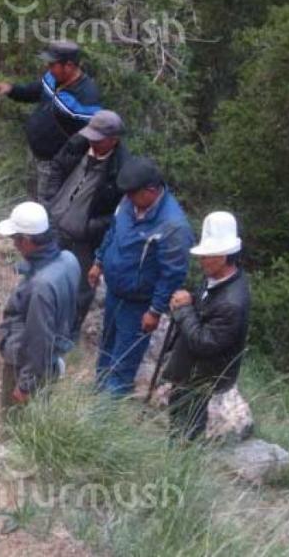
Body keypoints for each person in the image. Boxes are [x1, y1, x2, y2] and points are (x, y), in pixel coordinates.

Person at [88, 157, 194, 395]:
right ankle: (97, 391)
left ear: (151, 190)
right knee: (106, 347)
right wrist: (99, 261)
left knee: (124, 361)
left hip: (138, 304)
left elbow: (173, 274)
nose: (127, 197)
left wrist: (155, 311)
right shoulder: (127, 203)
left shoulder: (173, 226)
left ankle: (107, 409)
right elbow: (113, 232)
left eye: (132, 193)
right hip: (115, 292)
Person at [162, 212, 251, 440]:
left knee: (188, 430)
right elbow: (205, 309)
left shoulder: (232, 302)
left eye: (207, 255)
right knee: (178, 420)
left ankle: (182, 458)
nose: (201, 260)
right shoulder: (217, 280)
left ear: (223, 256)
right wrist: (189, 301)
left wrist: (184, 309)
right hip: (190, 371)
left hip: (202, 378)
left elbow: (205, 343)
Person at [43, 110, 131, 337]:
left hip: (86, 242)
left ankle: (66, 338)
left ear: (114, 140)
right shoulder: (77, 144)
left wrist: (90, 227)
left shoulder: (122, 169)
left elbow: (120, 215)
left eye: (98, 138)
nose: (92, 141)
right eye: (91, 135)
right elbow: (57, 166)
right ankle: (40, 324)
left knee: (80, 291)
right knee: (44, 275)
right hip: (55, 227)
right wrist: (51, 197)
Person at [0, 202, 79, 412]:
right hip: (52, 358)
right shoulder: (69, 260)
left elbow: (39, 337)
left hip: (24, 362)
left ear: (27, 240)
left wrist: (26, 384)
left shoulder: (41, 287)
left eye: (16, 239)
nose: (14, 245)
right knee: (40, 409)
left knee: (15, 418)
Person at [0, 40, 102, 199]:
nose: (48, 68)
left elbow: (88, 139)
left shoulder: (87, 97)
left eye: (52, 64)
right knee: (30, 196)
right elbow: (34, 92)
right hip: (34, 153)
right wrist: (11, 90)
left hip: (52, 164)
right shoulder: (53, 77)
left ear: (69, 66)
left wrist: (63, 162)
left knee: (45, 204)